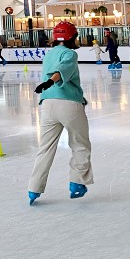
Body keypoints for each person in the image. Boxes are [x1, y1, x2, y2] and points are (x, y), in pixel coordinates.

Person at [28, 21, 93, 205]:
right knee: (80, 144)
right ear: (73, 37)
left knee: (45, 148)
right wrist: (51, 82)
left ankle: (34, 189)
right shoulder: (70, 53)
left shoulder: (49, 54)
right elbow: (61, 70)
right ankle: (77, 183)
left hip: (47, 104)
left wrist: (48, 86)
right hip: (69, 104)